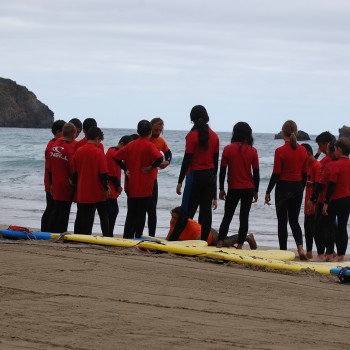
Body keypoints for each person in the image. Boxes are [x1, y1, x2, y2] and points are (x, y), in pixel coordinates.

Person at [265, 120, 308, 260]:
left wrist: (268, 191)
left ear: (283, 133)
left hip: (283, 188)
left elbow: (276, 174)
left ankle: (283, 252)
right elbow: (304, 174)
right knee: (294, 220)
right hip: (297, 188)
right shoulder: (303, 151)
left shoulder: (280, 151)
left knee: (282, 222)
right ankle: (300, 247)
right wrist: (301, 188)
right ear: (295, 132)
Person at [176, 105, 219, 242]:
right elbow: (215, 164)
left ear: (192, 119)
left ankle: (176, 239)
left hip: (195, 176)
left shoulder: (191, 136)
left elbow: (187, 159)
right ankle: (203, 241)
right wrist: (214, 191)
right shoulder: (215, 136)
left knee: (187, 211)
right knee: (206, 211)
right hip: (210, 177)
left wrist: (180, 181)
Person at [114, 120, 163, 239]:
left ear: (137, 131)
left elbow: (116, 157)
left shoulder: (131, 144)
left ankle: (126, 237)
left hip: (132, 184)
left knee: (131, 213)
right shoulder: (149, 145)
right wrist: (150, 167)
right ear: (150, 132)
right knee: (141, 214)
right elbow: (160, 158)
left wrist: (125, 169)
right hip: (146, 186)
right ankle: (137, 236)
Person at [216, 122, 260, 249]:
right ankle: (240, 245)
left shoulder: (228, 149)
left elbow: (223, 171)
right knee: (244, 218)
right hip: (248, 188)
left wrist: (221, 188)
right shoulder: (253, 151)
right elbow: (256, 173)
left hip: (233, 188)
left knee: (227, 217)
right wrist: (256, 191)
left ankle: (219, 243)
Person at [72, 126, 110, 236]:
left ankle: (83, 237)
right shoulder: (98, 152)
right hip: (96, 190)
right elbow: (103, 173)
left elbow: (75, 172)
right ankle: (107, 237)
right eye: (100, 141)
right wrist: (106, 188)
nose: (100, 143)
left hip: (83, 190)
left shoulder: (79, 151)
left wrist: (74, 186)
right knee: (103, 215)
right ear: (97, 138)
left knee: (84, 217)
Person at [166, 206, 257, 249]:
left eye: (175, 218)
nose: (173, 220)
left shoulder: (192, 227)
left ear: (181, 219)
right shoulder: (173, 223)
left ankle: (247, 237)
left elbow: (201, 241)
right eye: (172, 217)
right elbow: (169, 237)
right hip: (203, 238)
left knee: (227, 242)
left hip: (210, 235)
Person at [307, 132, 336, 261]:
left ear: (326, 144)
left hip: (323, 198)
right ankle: (330, 252)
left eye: (320, 145)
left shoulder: (327, 161)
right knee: (329, 226)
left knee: (318, 227)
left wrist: (313, 198)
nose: (319, 147)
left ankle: (321, 254)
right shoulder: (336, 159)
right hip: (333, 198)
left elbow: (322, 182)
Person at [322, 137, 350, 262]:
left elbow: (332, 185)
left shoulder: (336, 165)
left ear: (339, 149)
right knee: (342, 227)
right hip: (347, 199)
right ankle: (341, 255)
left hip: (336, 199)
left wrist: (326, 202)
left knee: (328, 225)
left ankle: (329, 253)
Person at [47, 122, 77, 233]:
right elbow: (73, 169)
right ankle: (60, 233)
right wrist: (74, 182)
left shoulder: (54, 146)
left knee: (55, 210)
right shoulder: (70, 149)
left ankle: (50, 232)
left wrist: (50, 183)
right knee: (64, 211)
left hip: (55, 182)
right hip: (65, 185)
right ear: (73, 135)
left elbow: (49, 168)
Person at [147, 117, 172, 236]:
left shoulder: (161, 141)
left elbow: (168, 153)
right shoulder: (145, 139)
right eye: (155, 130)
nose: (157, 133)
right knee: (140, 209)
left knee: (152, 209)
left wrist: (167, 162)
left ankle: (151, 235)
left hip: (153, 179)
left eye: (159, 130)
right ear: (150, 128)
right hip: (141, 178)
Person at [105, 135, 133, 237]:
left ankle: (109, 234)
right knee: (112, 211)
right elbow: (111, 174)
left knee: (112, 211)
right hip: (109, 186)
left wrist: (125, 170)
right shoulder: (112, 153)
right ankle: (108, 234)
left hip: (112, 186)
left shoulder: (113, 151)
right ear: (121, 144)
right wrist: (118, 186)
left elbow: (120, 164)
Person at [41, 119, 66, 231]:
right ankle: (45, 230)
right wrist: (51, 183)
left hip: (55, 181)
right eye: (63, 131)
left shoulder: (56, 144)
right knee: (51, 207)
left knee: (54, 207)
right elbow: (49, 167)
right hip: (51, 181)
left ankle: (50, 229)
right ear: (57, 131)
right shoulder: (52, 144)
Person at [301, 143, 321, 259]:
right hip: (307, 202)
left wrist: (314, 201)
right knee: (307, 227)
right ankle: (309, 252)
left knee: (314, 229)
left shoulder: (316, 166)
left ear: (308, 154)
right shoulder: (307, 165)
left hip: (314, 201)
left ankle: (320, 253)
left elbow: (320, 185)